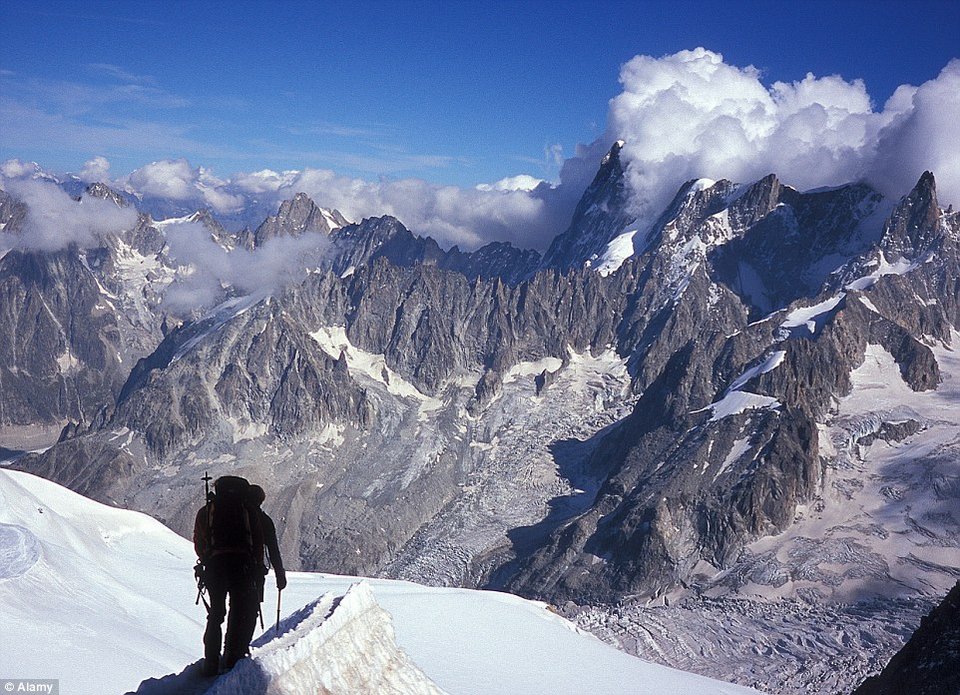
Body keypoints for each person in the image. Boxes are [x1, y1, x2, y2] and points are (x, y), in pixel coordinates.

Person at [193, 475, 264, 676]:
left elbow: (199, 542)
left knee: (215, 615)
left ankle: (211, 662)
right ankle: (232, 656)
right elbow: (257, 542)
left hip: (216, 566)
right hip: (242, 566)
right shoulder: (248, 510)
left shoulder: (207, 511)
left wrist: (208, 558)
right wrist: (256, 567)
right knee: (238, 610)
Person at [241, 484, 287, 651]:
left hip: (224, 569)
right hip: (254, 572)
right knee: (251, 610)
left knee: (227, 611)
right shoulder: (264, 520)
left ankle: (218, 655)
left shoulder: (233, 516)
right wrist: (280, 575)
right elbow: (273, 550)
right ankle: (240, 651)